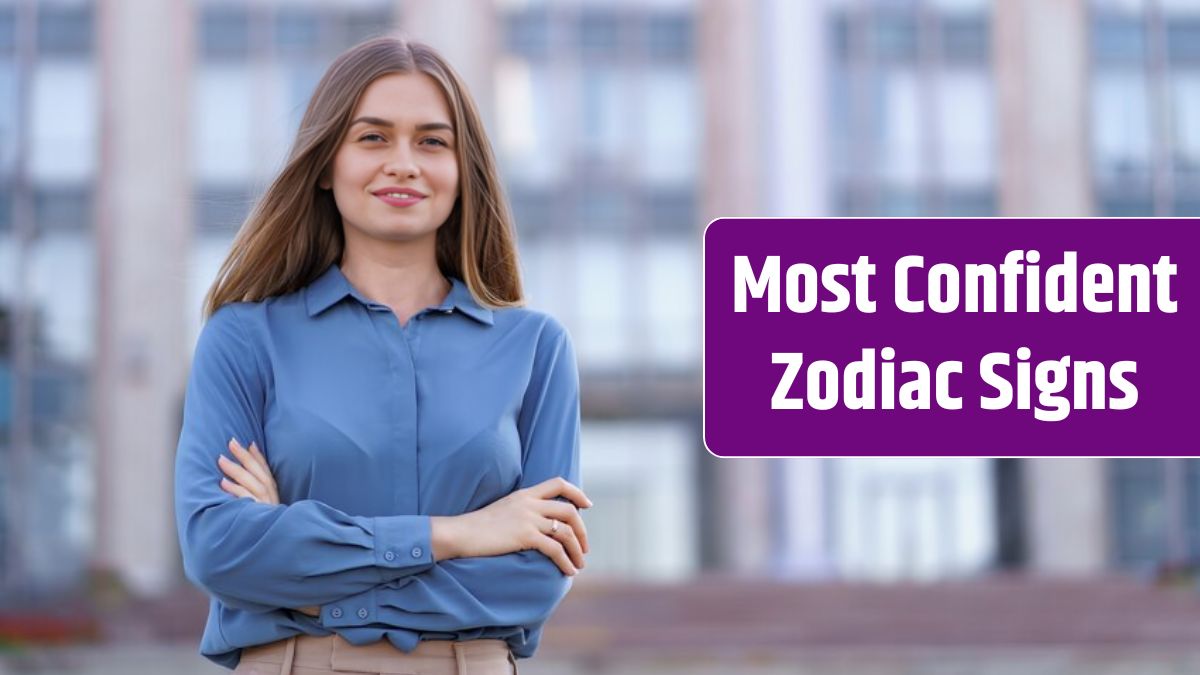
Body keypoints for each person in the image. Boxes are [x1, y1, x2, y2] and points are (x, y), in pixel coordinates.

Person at [173, 36, 591, 674]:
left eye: (431, 141)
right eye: (372, 138)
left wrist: (303, 574)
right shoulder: (245, 338)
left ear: (462, 170)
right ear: (324, 163)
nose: (403, 163)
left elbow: (534, 577)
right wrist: (460, 535)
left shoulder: (535, 348)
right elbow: (218, 550)